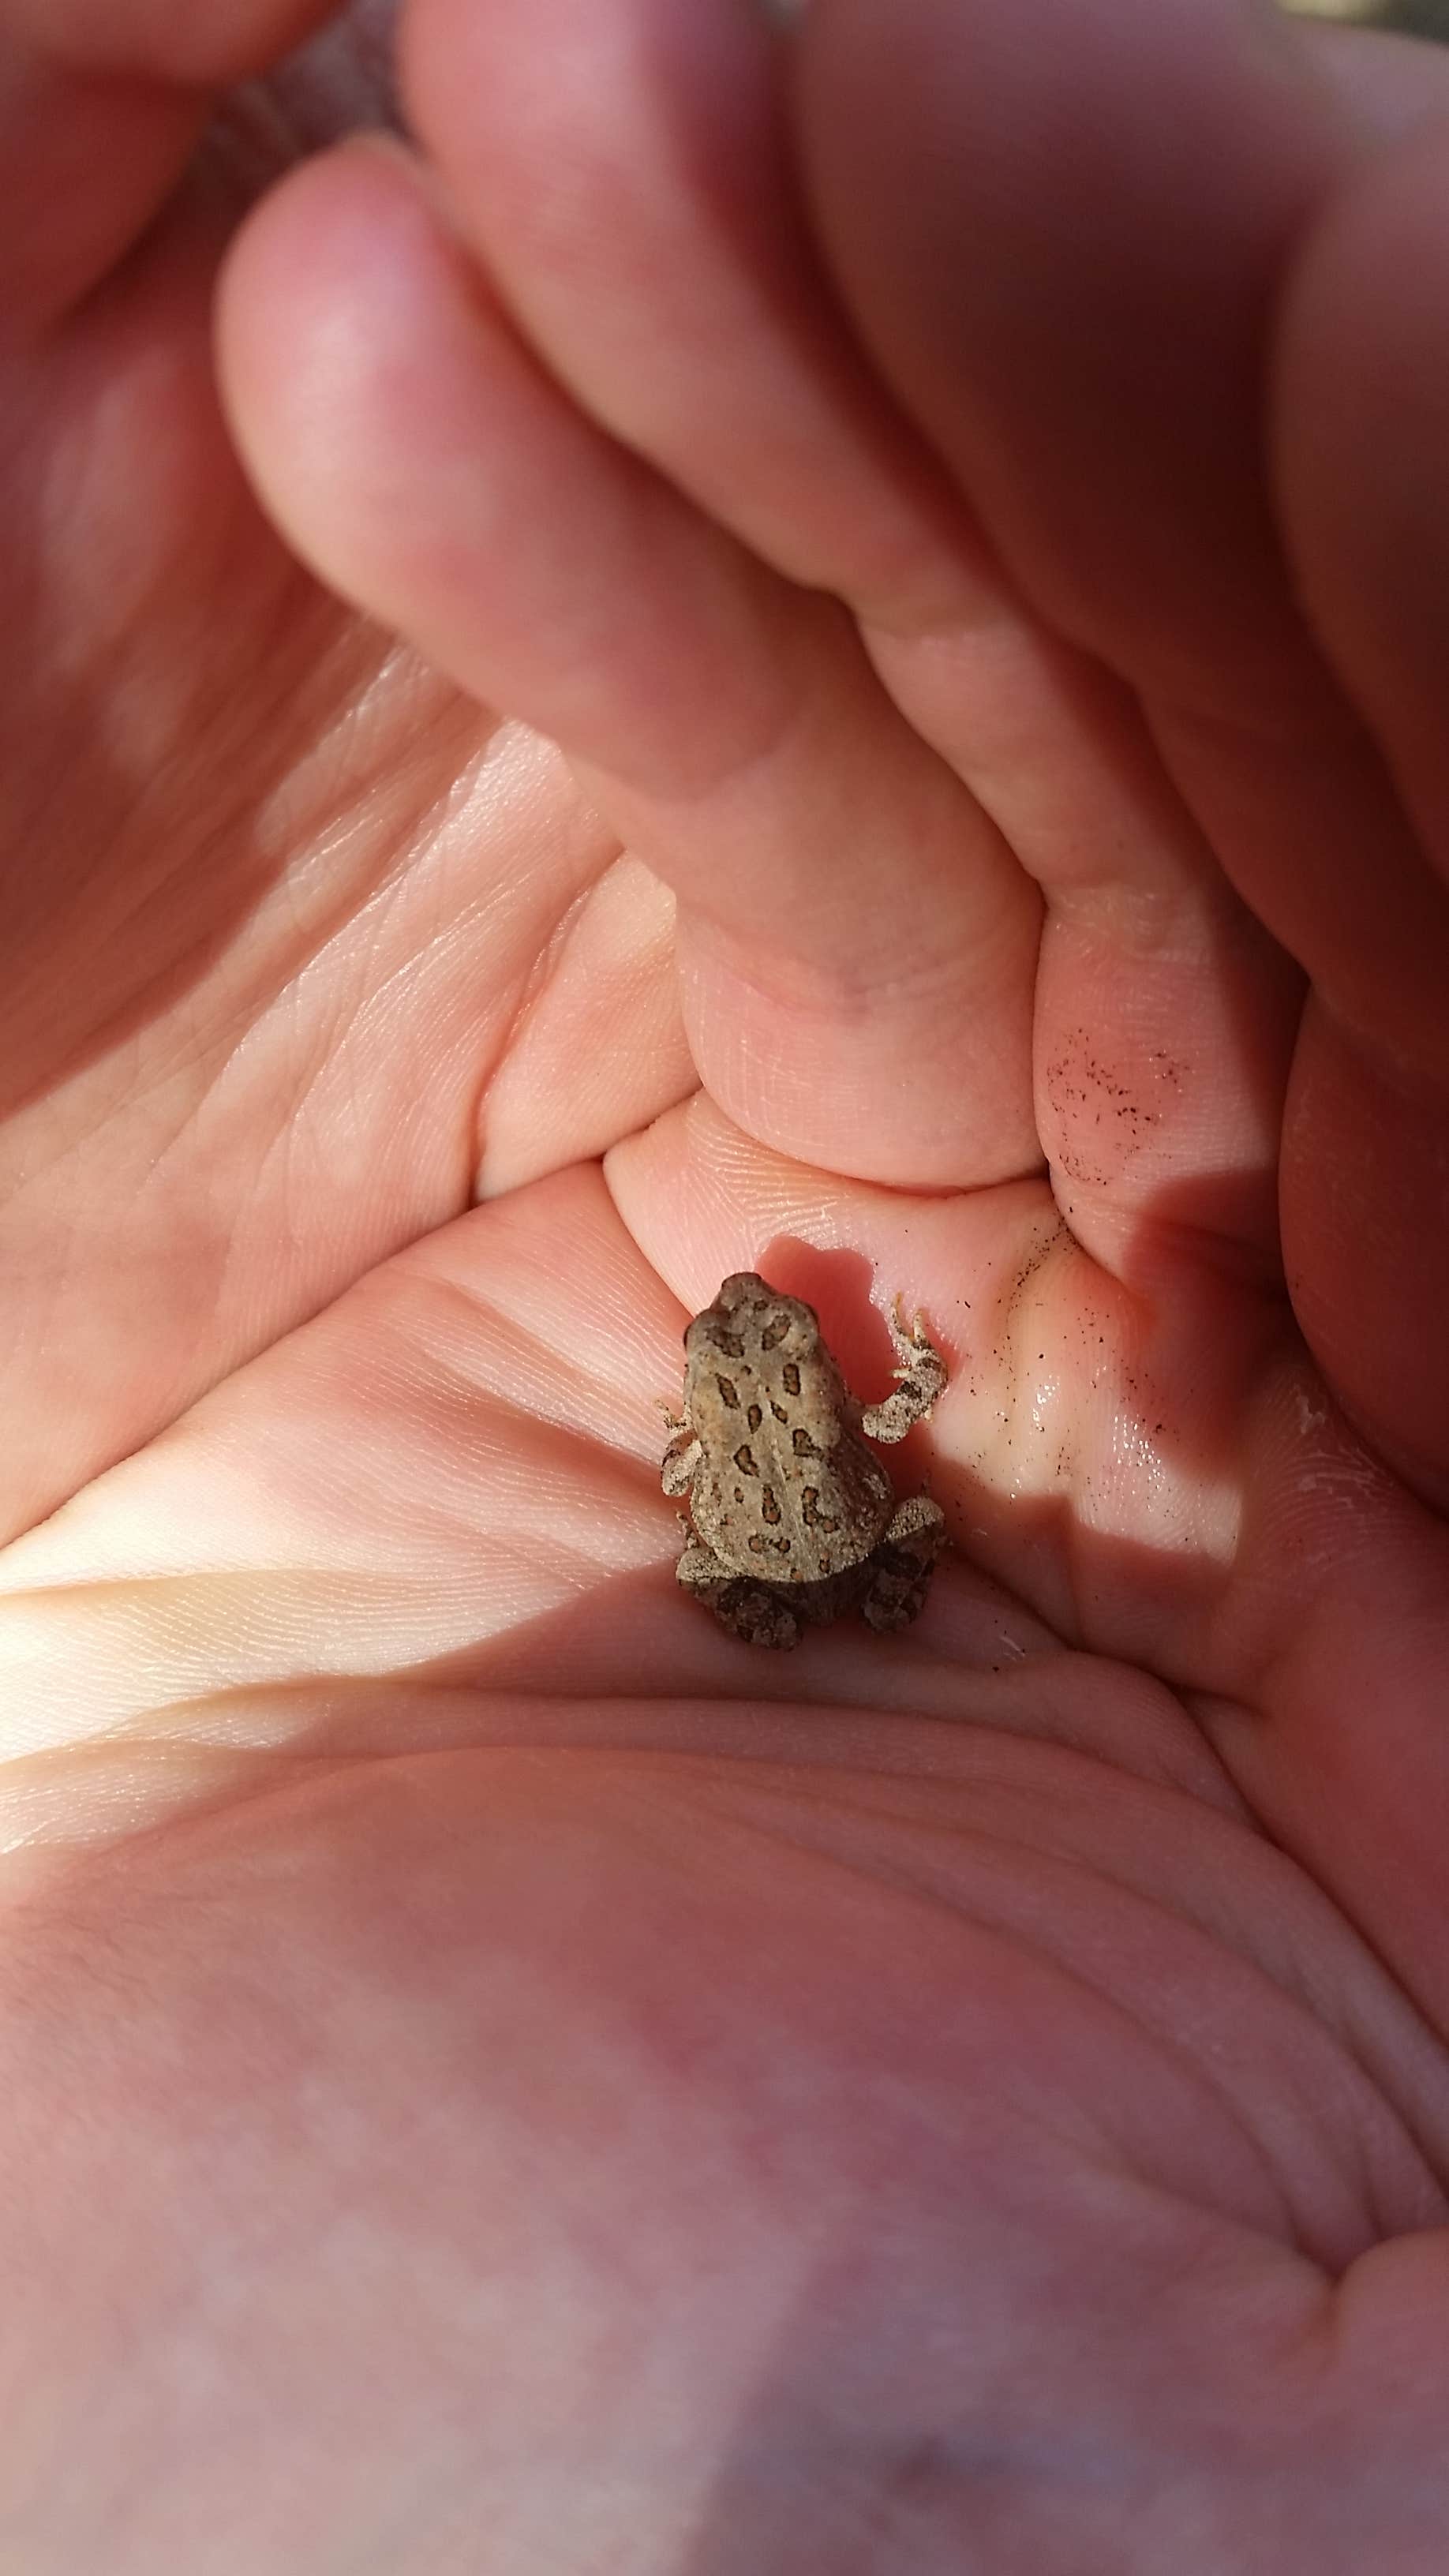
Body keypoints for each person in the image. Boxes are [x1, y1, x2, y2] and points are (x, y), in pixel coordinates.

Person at [2, 0, 1448, 2562]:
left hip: (789, 1570)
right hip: (811, 1570)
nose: (767, 1338)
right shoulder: (782, 1418)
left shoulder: (750, 1412)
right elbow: (770, 1445)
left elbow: (750, 1442)